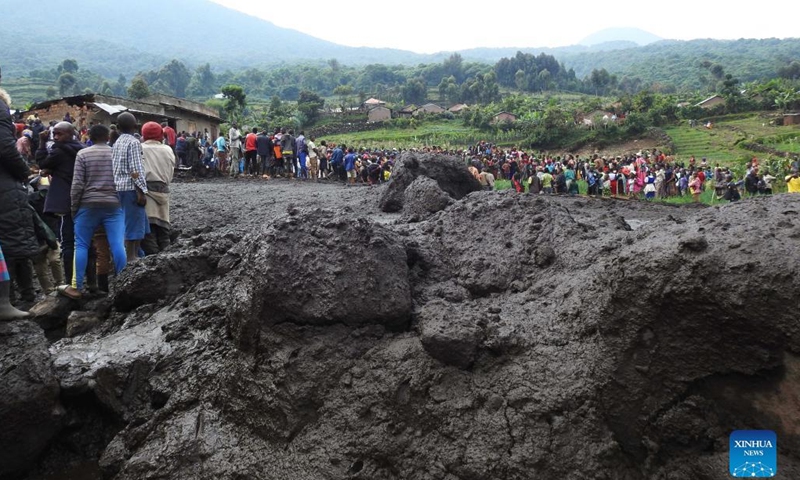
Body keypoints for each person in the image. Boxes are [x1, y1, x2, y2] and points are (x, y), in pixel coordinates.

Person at [59, 125, 127, 300]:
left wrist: (74, 209)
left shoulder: (83, 154)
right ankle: (124, 282)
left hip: (88, 205)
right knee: (117, 244)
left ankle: (77, 287)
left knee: (81, 245)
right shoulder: (116, 154)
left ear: (89, 136)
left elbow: (77, 185)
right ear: (108, 136)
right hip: (113, 205)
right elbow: (122, 180)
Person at [1, 74, 39, 309]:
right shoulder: (1, 107)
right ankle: (12, 303)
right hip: (5, 185)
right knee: (12, 244)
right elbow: (5, 146)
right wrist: (24, 172)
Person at [36, 121, 85, 286]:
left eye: (59, 134)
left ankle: (72, 282)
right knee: (85, 241)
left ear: (70, 134)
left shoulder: (58, 151)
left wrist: (42, 143)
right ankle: (90, 282)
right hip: (84, 200)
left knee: (68, 242)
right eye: (54, 134)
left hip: (66, 201)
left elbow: (42, 162)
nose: (56, 137)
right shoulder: (82, 149)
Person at [112, 112, 149, 262]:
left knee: (128, 220)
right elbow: (135, 170)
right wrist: (141, 191)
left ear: (118, 127)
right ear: (135, 126)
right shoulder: (133, 142)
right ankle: (131, 256)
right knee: (134, 221)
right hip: (131, 188)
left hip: (119, 187)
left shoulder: (117, 142)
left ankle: (136, 253)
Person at [140, 122, 175, 255]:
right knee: (163, 231)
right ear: (161, 135)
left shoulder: (140, 148)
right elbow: (171, 172)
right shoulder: (168, 150)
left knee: (149, 233)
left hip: (146, 193)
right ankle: (167, 259)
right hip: (164, 191)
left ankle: (154, 263)